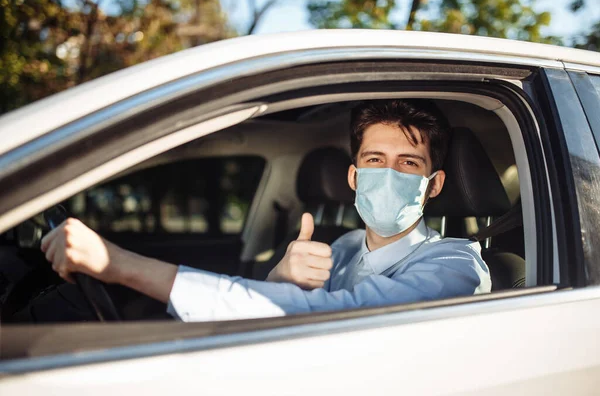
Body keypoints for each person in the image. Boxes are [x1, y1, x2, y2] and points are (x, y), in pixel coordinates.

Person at [41, 100, 491, 322]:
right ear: (354, 178)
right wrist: (280, 277)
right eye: (375, 160)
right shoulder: (344, 245)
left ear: (434, 185)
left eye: (408, 164)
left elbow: (336, 314)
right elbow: (285, 303)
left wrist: (119, 265)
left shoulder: (457, 265)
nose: (389, 174)